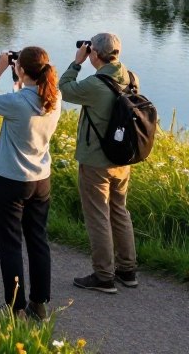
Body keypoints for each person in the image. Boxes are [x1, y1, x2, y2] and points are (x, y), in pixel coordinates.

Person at [0, 47, 61, 321]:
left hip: (11, 180)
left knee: (10, 244)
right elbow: (29, 95)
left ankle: (15, 308)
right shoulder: (54, 97)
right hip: (40, 179)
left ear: (21, 69)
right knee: (38, 241)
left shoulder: (16, 102)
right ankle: (39, 304)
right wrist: (20, 78)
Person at [59, 32, 140, 294]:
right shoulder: (131, 77)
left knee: (98, 217)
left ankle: (104, 275)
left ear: (94, 53)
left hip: (96, 161)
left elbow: (64, 88)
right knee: (120, 211)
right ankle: (127, 270)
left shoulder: (95, 84)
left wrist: (77, 63)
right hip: (122, 158)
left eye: (90, 49)